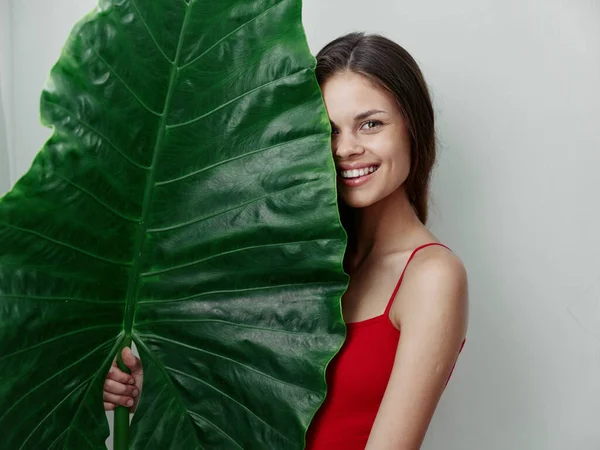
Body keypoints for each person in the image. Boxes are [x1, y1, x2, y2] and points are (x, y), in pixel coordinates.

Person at [103, 32, 468, 450]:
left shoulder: (432, 276)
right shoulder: (302, 262)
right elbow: (247, 410)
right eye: (328, 130)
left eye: (371, 124)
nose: (345, 148)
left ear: (413, 128)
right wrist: (151, 389)